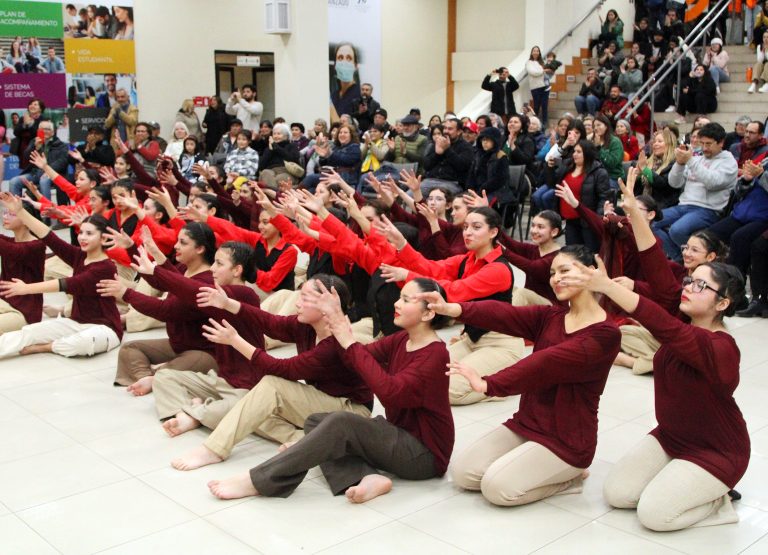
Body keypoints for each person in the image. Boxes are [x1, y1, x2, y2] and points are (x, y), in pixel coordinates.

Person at [583, 179, 750, 532]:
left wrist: (610, 286)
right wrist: (635, 214)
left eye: (701, 286)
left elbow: (664, 326)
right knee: (618, 494)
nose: (689, 287)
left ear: (722, 304)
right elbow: (656, 264)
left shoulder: (720, 347)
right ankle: (678, 477)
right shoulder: (682, 310)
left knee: (655, 516)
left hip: (717, 450)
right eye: (691, 280)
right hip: (672, 435)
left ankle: (718, 500)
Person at [206, 277, 454, 503]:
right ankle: (362, 476)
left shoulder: (434, 354)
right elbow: (355, 360)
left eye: (406, 300)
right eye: (400, 297)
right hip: (397, 434)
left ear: (428, 314)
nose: (396, 303)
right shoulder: (402, 339)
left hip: (424, 456)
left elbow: (389, 391)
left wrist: (345, 339)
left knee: (339, 423)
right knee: (317, 421)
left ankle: (258, 479)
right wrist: (341, 335)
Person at [424, 244, 620, 507]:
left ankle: (569, 478)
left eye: (564, 270)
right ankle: (531, 463)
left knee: (496, 489)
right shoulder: (551, 316)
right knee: (463, 474)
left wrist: (489, 384)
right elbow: (503, 314)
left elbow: (545, 363)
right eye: (552, 273)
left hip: (567, 439)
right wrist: (453, 309)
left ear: (591, 272)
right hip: (528, 423)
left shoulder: (606, 334)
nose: (555, 279)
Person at [169, 275, 376, 469]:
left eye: (304, 298)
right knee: (257, 408)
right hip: (325, 403)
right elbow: (271, 323)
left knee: (270, 385)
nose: (297, 304)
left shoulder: (334, 344)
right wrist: (228, 304)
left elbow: (282, 369)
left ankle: (213, 449)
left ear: (326, 307)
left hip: (352, 412)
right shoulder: (308, 326)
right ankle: (300, 439)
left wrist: (235, 340)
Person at [377, 207, 525, 406]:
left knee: (448, 391)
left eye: (476, 227)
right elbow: (431, 268)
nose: (468, 232)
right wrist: (402, 244)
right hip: (471, 338)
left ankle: (505, 386)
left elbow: (455, 291)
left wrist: (408, 276)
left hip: (500, 343)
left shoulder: (498, 269)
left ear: (493, 232)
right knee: (418, 373)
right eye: (465, 227)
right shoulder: (466, 260)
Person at [0, 193, 121, 359]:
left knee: (77, 344)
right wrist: (20, 211)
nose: (82, 238)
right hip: (75, 322)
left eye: (89, 234)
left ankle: (46, 347)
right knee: (28, 332)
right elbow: (49, 237)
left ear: (104, 238)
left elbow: (66, 284)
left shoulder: (105, 267)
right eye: (82, 233)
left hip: (105, 329)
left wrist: (25, 288)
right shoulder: (79, 255)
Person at [105, 222, 219, 395]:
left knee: (170, 372)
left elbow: (166, 310)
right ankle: (148, 378)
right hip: (179, 346)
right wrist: (130, 247)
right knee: (130, 349)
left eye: (183, 242)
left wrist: (125, 293)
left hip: (205, 353)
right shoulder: (184, 269)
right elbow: (162, 279)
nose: (176, 246)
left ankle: (158, 377)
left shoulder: (207, 282)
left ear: (200, 249)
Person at [653, 123, 738, 261]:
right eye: (702, 143)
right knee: (650, 221)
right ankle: (680, 259)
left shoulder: (729, 162)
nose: (704, 148)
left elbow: (712, 182)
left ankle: (690, 259)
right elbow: (674, 183)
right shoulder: (697, 158)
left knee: (677, 230)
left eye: (709, 144)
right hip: (683, 205)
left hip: (708, 210)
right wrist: (679, 164)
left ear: (721, 143)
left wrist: (690, 160)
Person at [708, 154, 768, 277]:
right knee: (710, 235)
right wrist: (747, 180)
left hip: (763, 217)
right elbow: (738, 192)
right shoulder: (765, 160)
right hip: (742, 212)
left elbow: (762, 179)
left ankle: (735, 282)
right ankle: (710, 274)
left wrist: (761, 175)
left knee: (739, 238)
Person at [545, 140, 611, 252]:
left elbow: (603, 197)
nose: (574, 154)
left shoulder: (599, 172)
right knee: (573, 255)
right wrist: (550, 168)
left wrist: (597, 219)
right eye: (574, 151)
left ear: (588, 154)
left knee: (589, 255)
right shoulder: (568, 167)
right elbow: (552, 184)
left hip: (588, 223)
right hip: (569, 221)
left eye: (579, 152)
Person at [0, 203, 45, 334]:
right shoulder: (9, 242)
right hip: (5, 303)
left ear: (27, 220)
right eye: (5, 212)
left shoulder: (36, 246)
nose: (5, 216)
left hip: (24, 313)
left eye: (12, 214)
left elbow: (13, 251)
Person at [9, 120, 68, 201]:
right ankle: (17, 210)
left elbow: (62, 162)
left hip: (51, 174)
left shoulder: (61, 145)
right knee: (14, 182)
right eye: (41, 129)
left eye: (46, 129)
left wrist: (47, 170)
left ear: (53, 132)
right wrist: (35, 148)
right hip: (34, 173)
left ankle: (47, 210)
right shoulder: (34, 142)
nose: (43, 131)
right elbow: (26, 157)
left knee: (43, 181)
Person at [421, 118, 474, 196]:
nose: (446, 131)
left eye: (450, 129)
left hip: (452, 183)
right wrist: (437, 154)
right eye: (445, 128)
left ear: (459, 132)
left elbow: (462, 167)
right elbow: (426, 166)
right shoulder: (437, 143)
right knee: (410, 194)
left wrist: (447, 150)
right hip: (430, 180)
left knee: (438, 197)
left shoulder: (466, 147)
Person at [636, 128, 679, 208]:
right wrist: (637, 175)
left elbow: (662, 184)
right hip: (642, 203)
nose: (655, 144)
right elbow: (638, 190)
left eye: (659, 141)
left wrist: (644, 169)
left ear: (669, 144)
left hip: (662, 206)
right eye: (655, 141)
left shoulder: (675, 163)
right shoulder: (648, 161)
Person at [466, 127, 509, 204]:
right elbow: (471, 175)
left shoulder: (501, 156)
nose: (485, 142)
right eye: (483, 140)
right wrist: (470, 189)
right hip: (478, 190)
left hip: (494, 191)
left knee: (476, 204)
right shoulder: (478, 155)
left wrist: (482, 189)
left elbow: (499, 180)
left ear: (495, 141)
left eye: (488, 140)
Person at [258, 123, 300, 189]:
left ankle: (272, 195)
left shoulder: (291, 146)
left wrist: (276, 147)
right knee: (265, 173)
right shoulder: (269, 147)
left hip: (286, 171)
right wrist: (270, 150)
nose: (276, 136)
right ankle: (275, 195)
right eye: (274, 134)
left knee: (279, 179)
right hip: (270, 171)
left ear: (286, 136)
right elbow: (261, 166)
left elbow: (292, 159)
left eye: (279, 134)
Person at [330, 43, 361, 122]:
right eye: (340, 58)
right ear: (335, 65)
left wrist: (330, 107)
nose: (344, 62)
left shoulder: (359, 94)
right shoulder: (334, 95)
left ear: (356, 66)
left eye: (349, 58)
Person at [592, 114, 625, 187]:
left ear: (606, 126)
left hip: (612, 177)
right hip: (596, 176)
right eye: (594, 126)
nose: (596, 128)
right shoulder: (592, 141)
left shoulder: (615, 141)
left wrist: (599, 147)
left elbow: (612, 163)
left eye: (599, 125)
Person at [526, 46, 548, 125]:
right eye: (534, 51)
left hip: (545, 86)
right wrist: (542, 70)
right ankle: (535, 123)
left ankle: (545, 124)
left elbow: (547, 72)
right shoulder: (529, 62)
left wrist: (542, 70)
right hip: (535, 87)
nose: (536, 52)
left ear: (539, 53)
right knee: (536, 106)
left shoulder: (542, 62)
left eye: (537, 51)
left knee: (545, 106)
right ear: (532, 52)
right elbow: (533, 72)